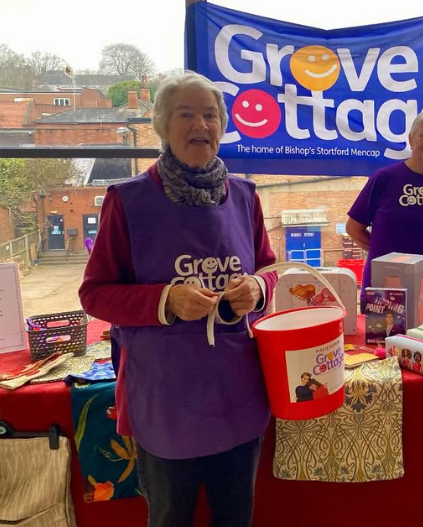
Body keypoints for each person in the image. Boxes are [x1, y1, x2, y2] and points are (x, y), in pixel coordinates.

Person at [78, 72, 278, 527]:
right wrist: (166, 300)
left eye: (210, 115)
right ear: (163, 125)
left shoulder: (245, 196)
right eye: (186, 114)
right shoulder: (127, 201)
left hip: (238, 393)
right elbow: (94, 294)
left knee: (235, 517)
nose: (200, 125)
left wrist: (258, 289)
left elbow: (270, 271)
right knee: (170, 518)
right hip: (166, 401)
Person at [346, 110, 423, 308]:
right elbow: (353, 228)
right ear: (411, 140)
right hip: (385, 288)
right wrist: (386, 258)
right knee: (383, 331)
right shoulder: (384, 178)